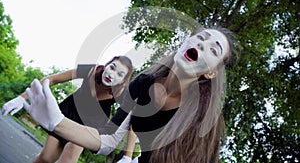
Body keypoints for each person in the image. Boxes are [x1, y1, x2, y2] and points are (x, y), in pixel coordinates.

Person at [23, 26, 236, 163]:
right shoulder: (143, 83)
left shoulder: (202, 119)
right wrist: (56, 121)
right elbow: (109, 139)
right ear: (185, 42)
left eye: (213, 49)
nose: (202, 44)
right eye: (201, 37)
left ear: (210, 73)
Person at [1, 56, 133, 163]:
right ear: (106, 65)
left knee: (69, 158)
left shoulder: (121, 93)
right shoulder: (90, 70)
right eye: (112, 67)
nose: (112, 74)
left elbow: (133, 123)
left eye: (120, 74)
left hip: (89, 126)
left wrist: (127, 156)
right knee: (46, 158)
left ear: (123, 81)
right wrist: (21, 98)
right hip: (66, 115)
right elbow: (52, 79)